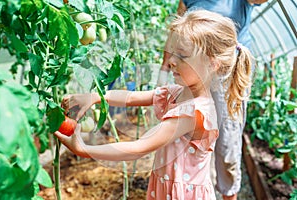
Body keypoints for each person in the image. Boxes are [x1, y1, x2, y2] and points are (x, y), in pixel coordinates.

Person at [55, 10, 253, 200]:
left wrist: (84, 149)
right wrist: (95, 97)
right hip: (166, 189)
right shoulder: (176, 92)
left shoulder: (194, 112)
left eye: (182, 56)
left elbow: (139, 148)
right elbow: (131, 98)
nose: (172, 61)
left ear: (212, 64)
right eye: (172, 53)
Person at [157, 1, 267, 200]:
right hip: (190, 69)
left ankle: (229, 193)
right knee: (187, 138)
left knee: (227, 142)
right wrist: (165, 68)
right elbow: (177, 34)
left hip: (226, 75)